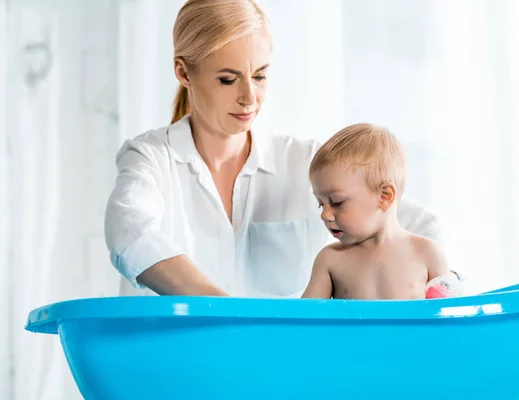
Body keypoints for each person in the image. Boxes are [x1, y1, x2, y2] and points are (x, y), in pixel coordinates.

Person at [104, 0, 445, 298]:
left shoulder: (310, 163)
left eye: (260, 76)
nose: (249, 97)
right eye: (228, 79)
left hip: (282, 368)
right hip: (174, 363)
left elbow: (419, 223)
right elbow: (131, 233)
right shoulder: (149, 157)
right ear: (184, 72)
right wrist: (225, 313)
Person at [301, 123, 459, 300]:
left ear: (384, 196)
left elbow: (450, 316)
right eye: (320, 204)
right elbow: (303, 322)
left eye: (337, 202)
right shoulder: (330, 261)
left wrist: (453, 287)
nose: (325, 214)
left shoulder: (426, 253)